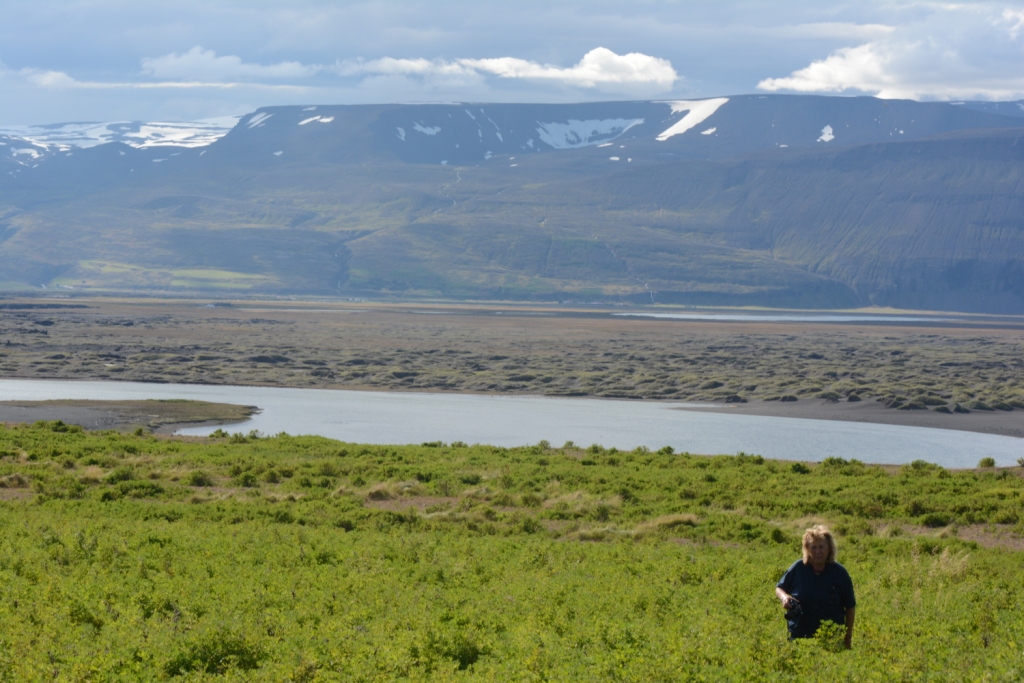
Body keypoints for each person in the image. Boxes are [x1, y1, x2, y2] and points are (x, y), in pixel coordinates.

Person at [775, 524, 856, 647]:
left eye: (821, 547)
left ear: (829, 549)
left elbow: (850, 607)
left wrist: (848, 637)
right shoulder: (798, 568)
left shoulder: (840, 573)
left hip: (831, 638)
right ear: (807, 549)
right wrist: (784, 597)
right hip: (800, 636)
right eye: (813, 547)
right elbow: (779, 588)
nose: (818, 552)